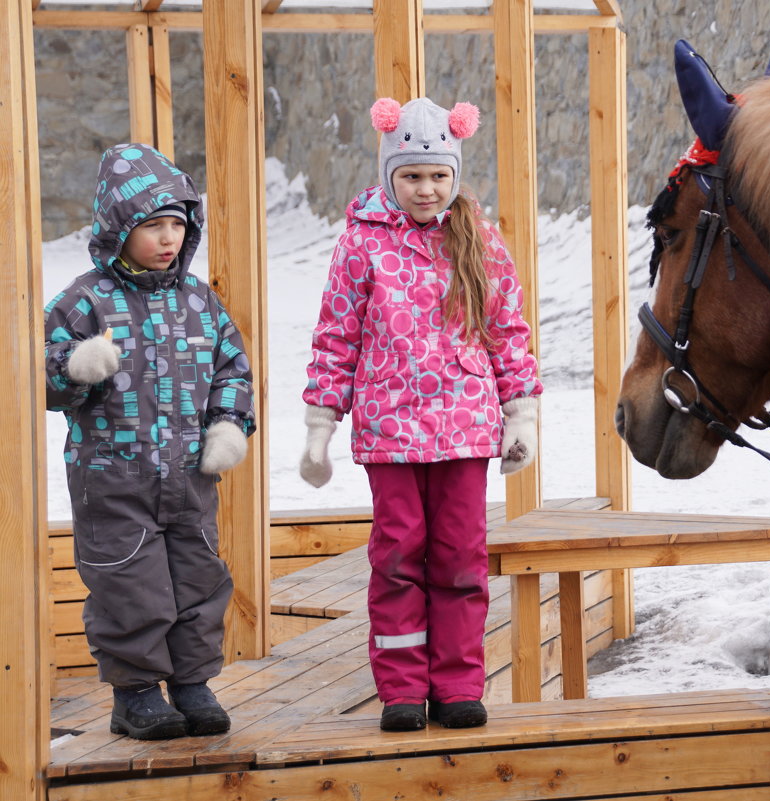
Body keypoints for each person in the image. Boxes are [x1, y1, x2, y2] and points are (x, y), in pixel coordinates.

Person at [299, 96, 541, 732]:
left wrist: (522, 413)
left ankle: (459, 682)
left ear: (455, 175)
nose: (426, 188)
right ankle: (403, 688)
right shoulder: (361, 242)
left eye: (438, 175)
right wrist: (321, 423)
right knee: (399, 555)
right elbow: (336, 336)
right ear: (389, 174)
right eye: (411, 175)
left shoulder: (479, 240)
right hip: (391, 429)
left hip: (464, 426)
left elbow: (506, 329)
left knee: (461, 557)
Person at [44, 143, 256, 740]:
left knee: (198, 577)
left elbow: (232, 368)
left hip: (189, 475)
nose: (167, 238)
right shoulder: (85, 300)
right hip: (113, 476)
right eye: (152, 226)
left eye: (176, 226)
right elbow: (34, 371)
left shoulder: (198, 301)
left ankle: (192, 682)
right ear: (118, 228)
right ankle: (135, 692)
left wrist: (227, 427)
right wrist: (73, 366)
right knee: (128, 583)